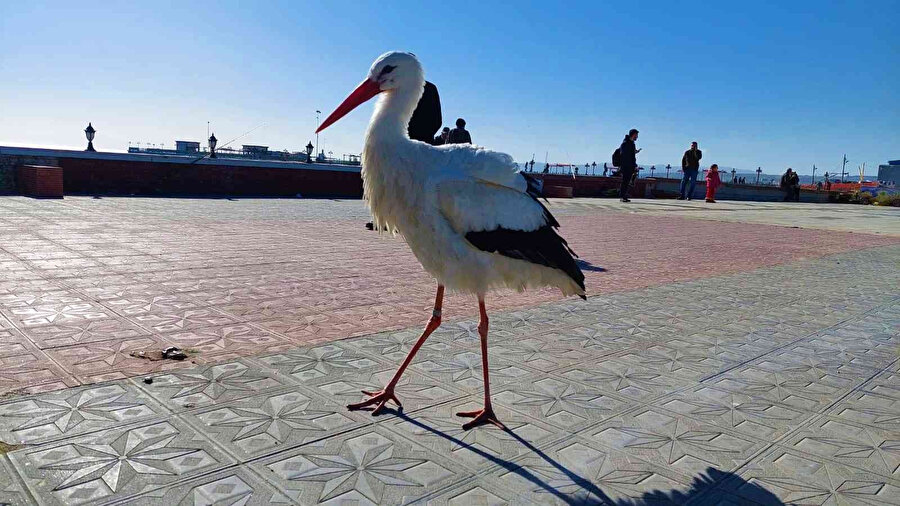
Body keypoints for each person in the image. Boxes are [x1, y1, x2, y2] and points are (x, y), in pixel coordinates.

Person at [617, 129, 640, 202]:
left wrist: (634, 153)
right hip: (626, 166)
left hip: (630, 165)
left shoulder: (631, 143)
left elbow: (631, 155)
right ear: (633, 135)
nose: (637, 137)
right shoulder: (626, 143)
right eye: (636, 135)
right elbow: (625, 155)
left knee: (626, 181)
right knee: (625, 181)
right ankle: (622, 196)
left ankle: (624, 195)